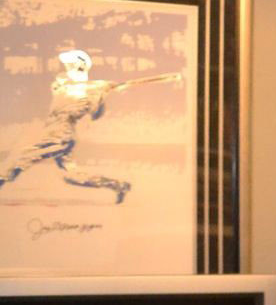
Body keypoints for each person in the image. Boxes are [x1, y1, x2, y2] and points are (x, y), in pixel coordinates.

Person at [0, 49, 184, 204]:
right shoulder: (62, 85)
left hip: (61, 135)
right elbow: (60, 86)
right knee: (72, 176)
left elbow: (112, 99)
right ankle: (118, 185)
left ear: (80, 67)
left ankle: (2, 178)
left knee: (25, 153)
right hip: (51, 130)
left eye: (70, 66)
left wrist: (168, 77)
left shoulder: (94, 88)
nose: (67, 69)